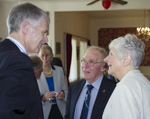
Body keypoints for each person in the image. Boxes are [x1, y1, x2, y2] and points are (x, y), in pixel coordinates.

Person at [0, 3, 49, 119]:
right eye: (43, 32)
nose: (45, 39)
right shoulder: (19, 61)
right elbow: (7, 113)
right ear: (26, 28)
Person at [102, 34, 150, 119]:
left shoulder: (125, 88)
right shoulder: (144, 82)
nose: (105, 59)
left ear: (126, 60)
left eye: (111, 54)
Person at [65, 46, 116, 119]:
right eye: (83, 61)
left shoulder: (113, 90)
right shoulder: (74, 88)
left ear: (103, 67)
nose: (84, 66)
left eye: (91, 62)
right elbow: (68, 116)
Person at [38, 43, 68, 119]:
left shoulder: (59, 70)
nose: (45, 58)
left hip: (59, 109)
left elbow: (66, 90)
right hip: (44, 110)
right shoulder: (36, 73)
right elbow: (32, 95)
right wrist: (43, 98)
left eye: (47, 55)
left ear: (51, 56)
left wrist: (63, 94)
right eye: (42, 55)